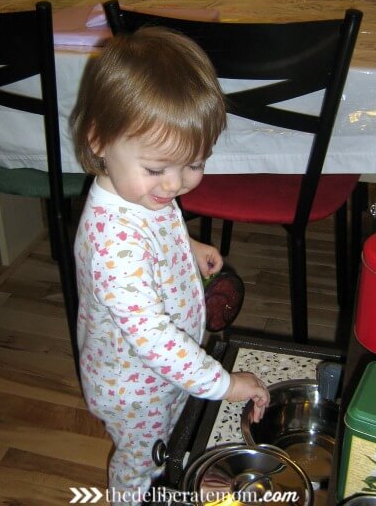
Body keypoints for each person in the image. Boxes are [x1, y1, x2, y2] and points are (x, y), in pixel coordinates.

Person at [71, 26, 270, 505]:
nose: (176, 185)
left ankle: (174, 470)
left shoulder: (139, 193)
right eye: (159, 168)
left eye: (194, 164)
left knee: (172, 439)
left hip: (164, 375)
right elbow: (155, 339)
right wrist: (224, 385)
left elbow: (156, 228)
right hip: (135, 388)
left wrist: (188, 243)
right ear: (99, 139)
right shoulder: (111, 241)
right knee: (140, 463)